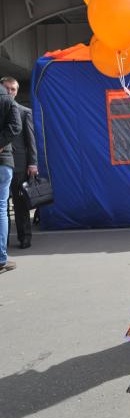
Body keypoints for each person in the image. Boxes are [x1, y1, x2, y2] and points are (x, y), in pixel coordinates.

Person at [1, 77, 38, 249]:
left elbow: (31, 140)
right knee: (3, 205)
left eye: (13, 89)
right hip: (3, 163)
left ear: (16, 92)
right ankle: (4, 240)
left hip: (20, 164)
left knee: (20, 203)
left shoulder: (24, 112)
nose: (9, 92)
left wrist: (33, 163)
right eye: (6, 88)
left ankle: (25, 238)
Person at [0, 82, 22, 273]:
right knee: (1, 209)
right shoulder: (7, 100)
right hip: (3, 160)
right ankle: (1, 259)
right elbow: (16, 127)